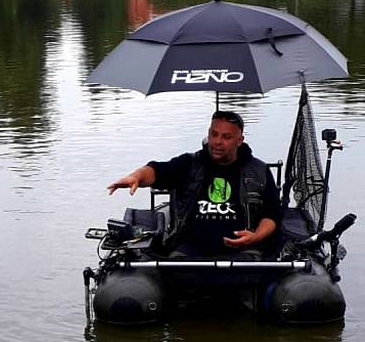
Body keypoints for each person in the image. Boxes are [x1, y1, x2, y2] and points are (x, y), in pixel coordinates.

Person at [108, 110, 280, 259]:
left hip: (243, 250)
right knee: (175, 268)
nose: (218, 142)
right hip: (190, 250)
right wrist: (136, 177)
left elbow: (272, 214)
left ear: (239, 140)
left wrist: (256, 237)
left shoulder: (259, 171)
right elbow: (157, 171)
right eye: (214, 134)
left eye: (226, 137)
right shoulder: (190, 163)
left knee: (252, 270)